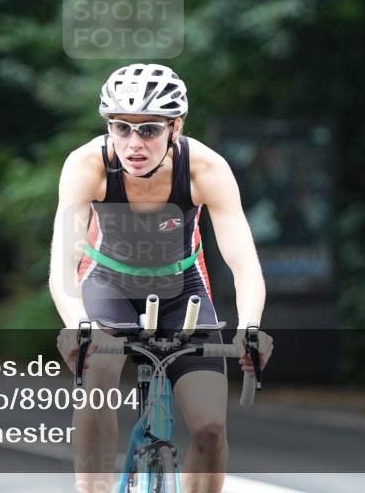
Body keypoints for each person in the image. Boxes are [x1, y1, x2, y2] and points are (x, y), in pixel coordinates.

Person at [49, 63, 273, 493]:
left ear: (175, 127)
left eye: (149, 130)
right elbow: (64, 262)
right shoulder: (86, 164)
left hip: (181, 292)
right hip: (108, 284)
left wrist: (250, 327)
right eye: (121, 128)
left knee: (210, 429)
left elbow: (244, 262)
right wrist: (78, 325)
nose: (134, 144)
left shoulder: (205, 168)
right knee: (97, 375)